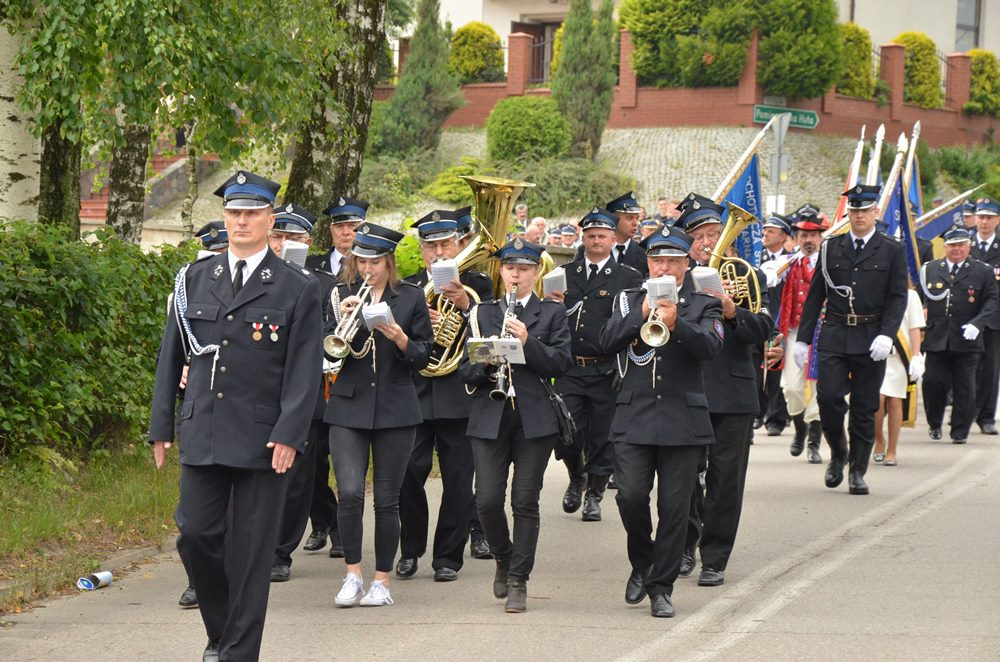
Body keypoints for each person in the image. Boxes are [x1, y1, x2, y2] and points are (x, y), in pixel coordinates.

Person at [149, 170, 322, 661]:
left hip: (264, 439)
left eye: (251, 213)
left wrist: (290, 433)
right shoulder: (194, 278)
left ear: (271, 220)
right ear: (224, 218)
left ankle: (237, 654)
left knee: (250, 557)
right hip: (203, 429)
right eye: (233, 212)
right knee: (196, 536)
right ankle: (222, 631)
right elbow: (172, 357)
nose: (241, 221)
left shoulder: (295, 287)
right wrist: (161, 425)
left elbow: (303, 370)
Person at [600, 225, 724, 618]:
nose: (665, 267)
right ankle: (643, 561)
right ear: (648, 263)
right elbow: (603, 343)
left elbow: (711, 347)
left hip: (683, 419)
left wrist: (676, 324)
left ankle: (661, 587)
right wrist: (638, 316)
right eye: (658, 260)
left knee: (674, 511)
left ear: (688, 263)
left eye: (673, 260)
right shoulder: (630, 299)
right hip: (634, 415)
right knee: (630, 496)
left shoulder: (704, 302)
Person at [459, 239, 573, 613]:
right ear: (501, 271)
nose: (516, 275)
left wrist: (527, 341)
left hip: (534, 418)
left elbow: (560, 364)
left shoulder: (553, 314)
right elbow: (467, 370)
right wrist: (490, 358)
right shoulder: (483, 313)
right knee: (487, 500)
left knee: (525, 500)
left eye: (523, 269)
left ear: (536, 273)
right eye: (510, 268)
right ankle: (503, 557)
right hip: (490, 414)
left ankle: (519, 578)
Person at [324, 222, 434, 608]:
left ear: (388, 262)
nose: (367, 268)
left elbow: (424, 357)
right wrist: (345, 320)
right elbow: (326, 354)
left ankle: (381, 580)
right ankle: (352, 574)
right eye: (361, 260)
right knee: (350, 491)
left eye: (374, 261)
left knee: (387, 499)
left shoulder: (411, 297)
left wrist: (401, 338)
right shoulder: (339, 293)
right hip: (348, 405)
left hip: (396, 407)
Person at [678, 194, 773, 588]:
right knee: (681, 476)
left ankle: (714, 557)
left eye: (716, 234)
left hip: (732, 393)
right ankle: (684, 543)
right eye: (700, 236)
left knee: (726, 479)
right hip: (686, 389)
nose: (709, 243)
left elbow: (764, 330)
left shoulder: (750, 276)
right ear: (688, 243)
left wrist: (734, 312)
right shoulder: (675, 280)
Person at [395, 210, 494, 583]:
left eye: (445, 244)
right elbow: (398, 341)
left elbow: (490, 342)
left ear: (458, 244)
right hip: (415, 395)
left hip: (461, 394)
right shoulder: (407, 289)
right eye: (431, 246)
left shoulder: (479, 287)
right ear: (421, 251)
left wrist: (467, 311)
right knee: (408, 475)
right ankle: (410, 550)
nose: (438, 252)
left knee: (457, 481)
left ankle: (448, 557)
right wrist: (422, 323)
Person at [795, 184, 908, 496]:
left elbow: (898, 298)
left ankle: (858, 470)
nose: (859, 215)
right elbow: (816, 295)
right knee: (828, 399)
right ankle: (839, 453)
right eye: (854, 210)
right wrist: (803, 340)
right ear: (849, 213)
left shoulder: (892, 250)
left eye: (865, 210)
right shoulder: (831, 248)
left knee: (865, 407)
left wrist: (887, 334)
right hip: (835, 333)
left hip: (872, 337)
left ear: (875, 213)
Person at [548, 207, 642, 522]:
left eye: (602, 235)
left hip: (607, 368)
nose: (596, 240)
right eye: (590, 235)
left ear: (613, 239)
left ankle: (595, 495)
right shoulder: (565, 274)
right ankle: (577, 476)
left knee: (603, 436)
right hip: (571, 366)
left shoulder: (628, 277)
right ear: (583, 238)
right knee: (567, 433)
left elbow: (633, 325)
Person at [264, 204, 340, 583]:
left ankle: (281, 552)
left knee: (296, 480)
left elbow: (332, 337)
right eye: (277, 236)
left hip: (306, 395)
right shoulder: (257, 277)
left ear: (308, 242)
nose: (282, 244)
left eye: (291, 238)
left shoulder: (323, 284)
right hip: (260, 394)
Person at [301, 196, 367, 556]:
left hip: (349, 375)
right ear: (331, 230)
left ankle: (343, 531)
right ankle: (323, 519)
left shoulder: (370, 269)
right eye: (341, 226)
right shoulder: (310, 266)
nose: (347, 232)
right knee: (310, 460)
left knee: (345, 460)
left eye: (354, 226)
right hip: (314, 373)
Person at [921, 226, 998, 445]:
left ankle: (960, 430)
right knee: (933, 382)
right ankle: (934, 422)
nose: (957, 249)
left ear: (969, 246)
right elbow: (918, 299)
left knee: (965, 386)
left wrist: (978, 323)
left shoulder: (982, 271)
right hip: (937, 337)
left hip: (967, 338)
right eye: (952, 245)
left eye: (961, 245)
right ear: (945, 247)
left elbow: (992, 300)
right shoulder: (931, 269)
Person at [778, 214, 825, 463]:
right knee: (791, 387)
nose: (809, 240)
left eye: (813, 236)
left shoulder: (828, 263)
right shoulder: (788, 263)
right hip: (795, 332)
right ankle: (799, 428)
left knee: (819, 389)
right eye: (804, 236)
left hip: (821, 333)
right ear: (796, 239)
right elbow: (769, 277)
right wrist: (784, 266)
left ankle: (814, 443)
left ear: (821, 238)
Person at [873, 284, 925, 465]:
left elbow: (915, 328)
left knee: (895, 401)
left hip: (900, 357)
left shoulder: (910, 296)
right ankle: (879, 440)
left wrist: (917, 356)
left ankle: (892, 450)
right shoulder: (874, 289)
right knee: (877, 400)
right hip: (877, 355)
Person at [757, 213, 794, 436]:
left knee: (776, 370)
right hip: (759, 316)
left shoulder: (792, 260)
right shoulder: (754, 257)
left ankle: (776, 418)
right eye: (765, 230)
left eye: (771, 231)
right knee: (756, 366)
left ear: (783, 236)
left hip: (781, 318)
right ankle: (757, 413)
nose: (765, 234)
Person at [969, 198, 1000, 435]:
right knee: (965, 368)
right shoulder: (964, 244)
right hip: (967, 316)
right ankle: (965, 413)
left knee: (990, 370)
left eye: (989, 217)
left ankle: (986, 416)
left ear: (997, 220)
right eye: (981, 216)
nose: (984, 222)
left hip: (995, 319)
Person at [576, 192, 649, 277]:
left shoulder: (643, 253)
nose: (636, 223)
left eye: (637, 218)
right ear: (614, 219)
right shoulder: (587, 249)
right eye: (630, 218)